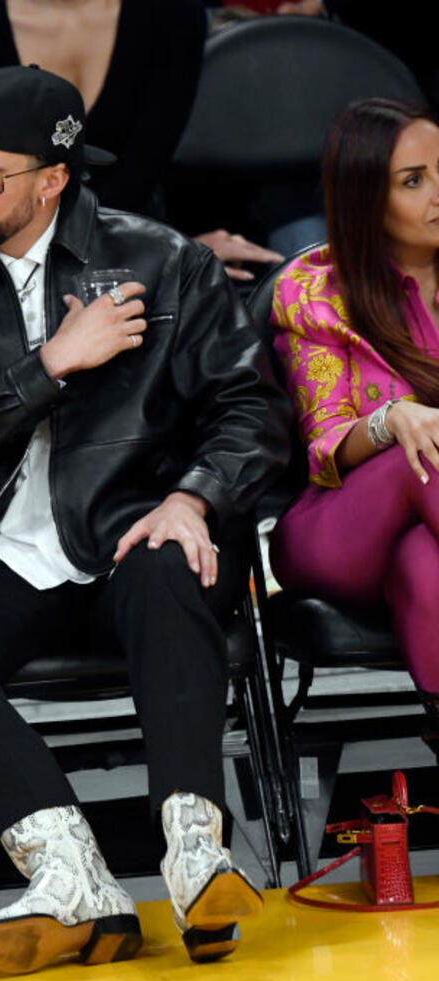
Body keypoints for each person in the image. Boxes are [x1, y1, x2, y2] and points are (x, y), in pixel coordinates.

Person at [0, 66, 289, 975]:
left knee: (175, 563)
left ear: (54, 179)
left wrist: (193, 496)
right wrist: (47, 366)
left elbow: (249, 412)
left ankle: (194, 849)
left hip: (130, 526)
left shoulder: (165, 260)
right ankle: (69, 867)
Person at [269, 98, 439, 760]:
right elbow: (325, 443)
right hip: (337, 526)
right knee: (423, 448)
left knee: (425, 566)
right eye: (413, 180)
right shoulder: (316, 290)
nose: (437, 194)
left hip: (421, 533)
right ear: (367, 197)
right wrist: (393, 419)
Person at [0, 0, 286, 280]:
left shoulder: (173, 15)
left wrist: (165, 255)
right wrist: (157, 259)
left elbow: (143, 171)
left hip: (135, 237)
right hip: (7, 253)